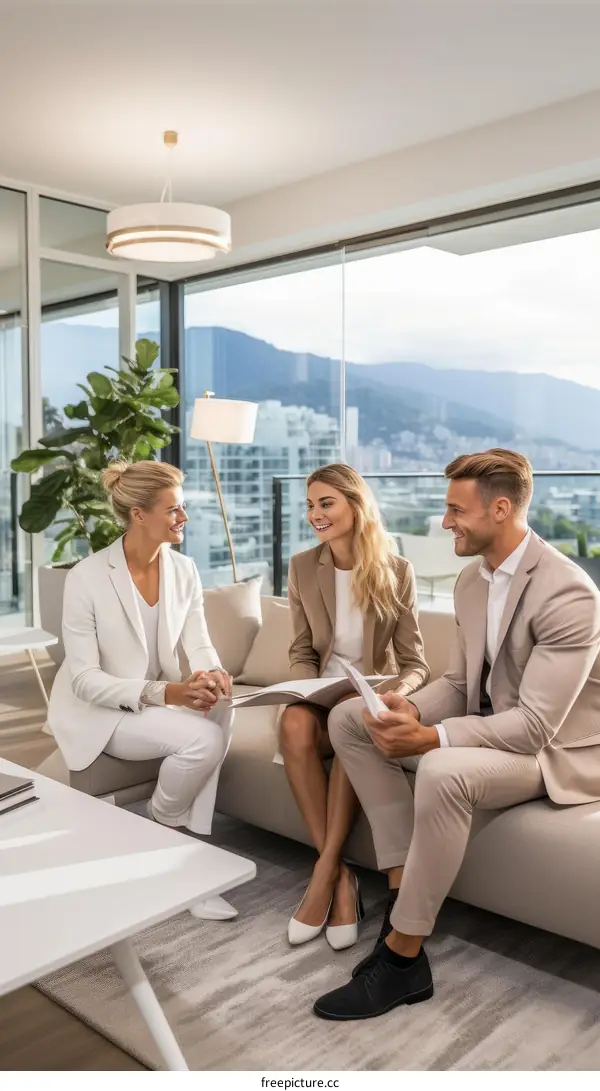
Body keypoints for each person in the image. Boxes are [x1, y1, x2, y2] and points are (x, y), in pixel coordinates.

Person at [314, 448, 600, 1019]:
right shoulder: (473, 580)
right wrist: (410, 708)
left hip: (555, 751)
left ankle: (403, 959)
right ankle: (402, 886)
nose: (444, 523)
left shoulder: (570, 593)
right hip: (497, 726)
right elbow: (462, 681)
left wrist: (432, 739)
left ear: (500, 509)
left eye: (454, 511)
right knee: (351, 717)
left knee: (442, 769)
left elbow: (534, 726)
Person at [48, 459, 237, 921]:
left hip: (154, 703)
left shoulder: (184, 569)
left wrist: (213, 672)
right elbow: (84, 680)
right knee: (205, 737)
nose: (184, 519)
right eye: (174, 510)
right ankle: (162, 830)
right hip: (103, 712)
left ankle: (183, 848)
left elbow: (199, 640)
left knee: (222, 706)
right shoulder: (87, 577)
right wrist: (168, 693)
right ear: (138, 514)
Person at [281, 464, 429, 950]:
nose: (314, 514)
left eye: (326, 503)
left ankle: (324, 876)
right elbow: (303, 649)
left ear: (355, 506)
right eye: (309, 505)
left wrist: (396, 694)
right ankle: (339, 876)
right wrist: (307, 689)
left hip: (366, 698)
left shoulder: (396, 571)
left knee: (352, 715)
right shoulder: (304, 566)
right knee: (294, 726)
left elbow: (415, 664)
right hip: (319, 695)